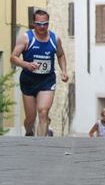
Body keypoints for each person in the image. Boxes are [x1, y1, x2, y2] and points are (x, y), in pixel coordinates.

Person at [10, 9, 68, 137]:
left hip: (47, 81)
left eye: (45, 24)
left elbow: (61, 55)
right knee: (30, 118)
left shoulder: (54, 39)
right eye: (39, 24)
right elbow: (13, 57)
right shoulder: (26, 38)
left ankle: (40, 145)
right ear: (33, 24)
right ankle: (29, 131)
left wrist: (64, 70)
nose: (42, 27)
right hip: (29, 81)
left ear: (48, 23)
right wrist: (26, 65)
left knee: (43, 112)